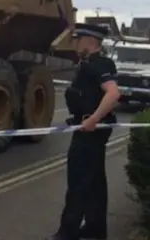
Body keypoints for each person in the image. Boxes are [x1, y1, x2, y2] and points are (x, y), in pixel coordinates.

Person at [47, 23, 121, 240]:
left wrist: (94, 119)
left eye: (78, 39)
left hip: (91, 130)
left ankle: (67, 233)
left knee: (78, 181)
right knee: (95, 181)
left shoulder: (99, 64)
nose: (76, 43)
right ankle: (95, 228)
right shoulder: (89, 64)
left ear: (90, 41)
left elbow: (113, 93)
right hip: (89, 127)